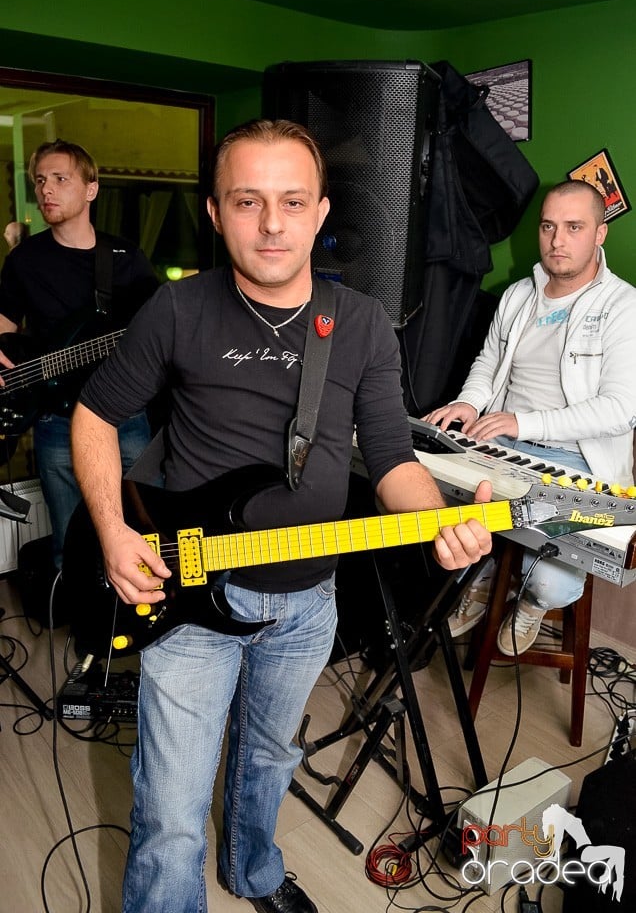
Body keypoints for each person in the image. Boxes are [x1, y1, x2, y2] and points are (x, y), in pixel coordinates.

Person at [70, 118, 493, 913]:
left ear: (321, 212)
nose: (272, 224)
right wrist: (115, 532)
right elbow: (95, 415)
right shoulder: (176, 309)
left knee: (268, 759)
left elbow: (393, 459)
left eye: (293, 201)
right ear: (215, 212)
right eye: (247, 201)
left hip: (307, 601)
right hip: (187, 592)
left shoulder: (360, 322)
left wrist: (440, 519)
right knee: (170, 808)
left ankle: (254, 873)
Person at [425, 179, 636, 654]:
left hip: (577, 459)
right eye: (548, 226)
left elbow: (622, 410)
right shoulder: (519, 294)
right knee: (444, 523)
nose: (557, 240)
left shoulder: (625, 306)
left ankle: (531, 601)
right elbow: (488, 362)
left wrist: (523, 423)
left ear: (600, 233)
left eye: (574, 227)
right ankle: (480, 580)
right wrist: (470, 403)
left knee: (550, 584)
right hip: (501, 442)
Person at [0, 139, 157, 568]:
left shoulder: (124, 257)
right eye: (40, 180)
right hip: (55, 419)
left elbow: (161, 330)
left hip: (124, 417)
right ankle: (76, 612)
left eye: (60, 179)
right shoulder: (24, 260)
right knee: (69, 545)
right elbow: (5, 328)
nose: (46, 190)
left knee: (149, 529)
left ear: (91, 188)